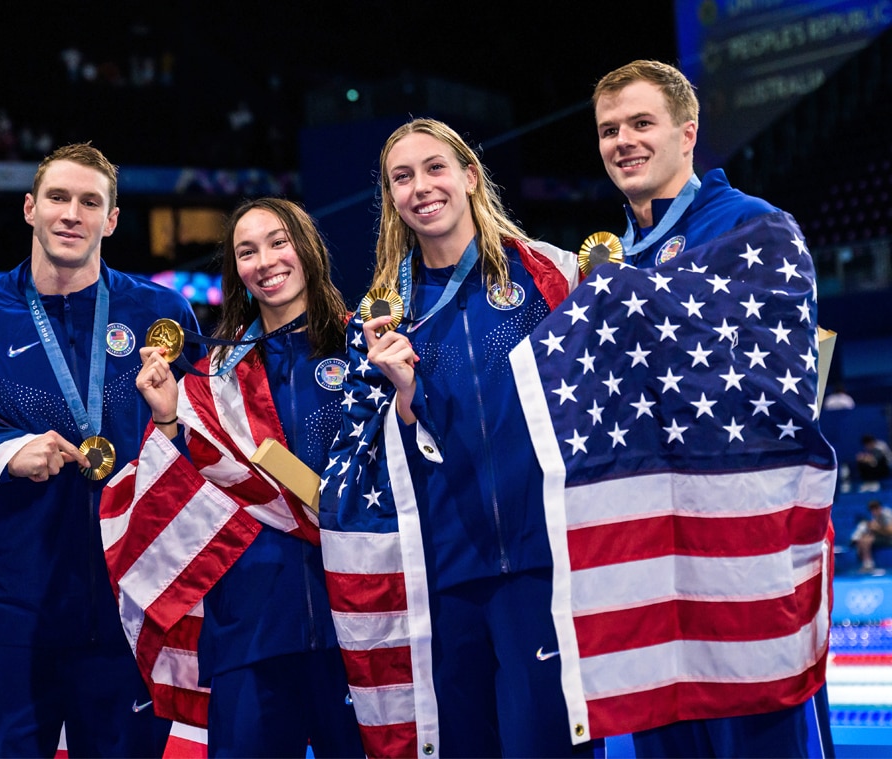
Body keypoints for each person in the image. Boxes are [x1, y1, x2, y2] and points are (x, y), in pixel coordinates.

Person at [0, 142, 201, 756]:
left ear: (113, 220)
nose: (72, 213)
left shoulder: (163, 314)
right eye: (58, 197)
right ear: (30, 208)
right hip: (7, 615)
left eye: (90, 202)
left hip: (128, 609)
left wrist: (176, 417)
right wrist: (1, 453)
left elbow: (206, 441)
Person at [550, 58, 833, 757]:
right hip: (649, 565)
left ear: (688, 131)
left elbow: (782, 385)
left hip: (739, 555)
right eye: (609, 129)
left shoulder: (754, 228)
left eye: (641, 123)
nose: (623, 141)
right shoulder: (608, 263)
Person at [318, 118, 592, 758]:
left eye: (435, 168)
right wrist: (404, 397)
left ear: (470, 176)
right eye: (402, 178)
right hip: (439, 576)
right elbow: (377, 454)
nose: (421, 187)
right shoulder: (380, 315)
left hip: (540, 564)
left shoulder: (548, 275)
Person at [100, 198, 363, 757]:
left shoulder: (363, 349)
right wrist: (169, 418)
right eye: (247, 251)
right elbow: (180, 493)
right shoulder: (211, 378)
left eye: (278, 242)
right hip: (250, 627)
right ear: (236, 271)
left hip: (355, 618)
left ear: (308, 249)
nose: (265, 260)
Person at [851, 499, 892, 574]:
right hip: (881, 537)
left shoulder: (886, 515)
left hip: (889, 538)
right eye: (872, 511)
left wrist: (877, 528)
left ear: (879, 508)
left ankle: (869, 565)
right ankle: (866, 563)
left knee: (867, 541)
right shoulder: (875, 516)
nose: (873, 512)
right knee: (861, 540)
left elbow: (890, 532)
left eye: (875, 510)